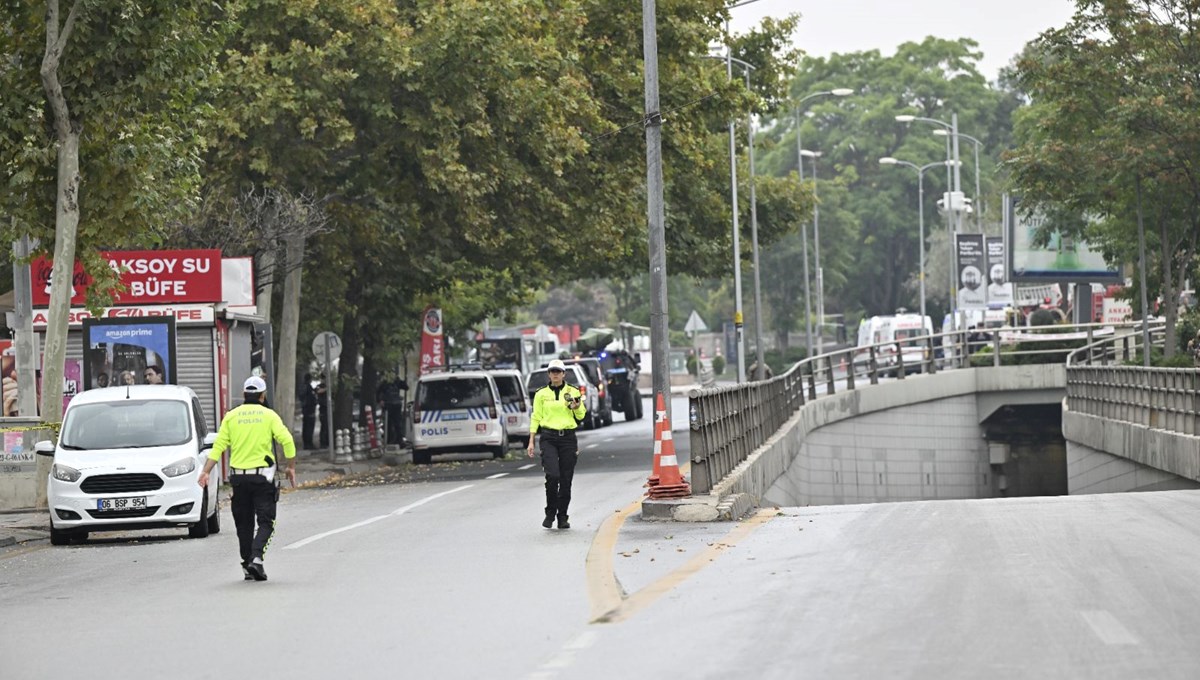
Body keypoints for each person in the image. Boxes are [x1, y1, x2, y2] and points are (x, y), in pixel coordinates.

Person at [198, 375, 297, 581]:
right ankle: (257, 558)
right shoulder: (268, 415)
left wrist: (206, 471)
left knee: (243, 524)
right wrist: (290, 467)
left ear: (244, 394)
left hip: (239, 481)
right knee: (266, 522)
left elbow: (218, 448)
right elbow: (287, 440)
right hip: (262, 479)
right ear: (262, 396)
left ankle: (246, 564)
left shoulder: (231, 417)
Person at [526, 358, 587, 530]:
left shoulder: (573, 391)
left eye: (558, 371)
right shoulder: (541, 394)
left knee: (566, 479)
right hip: (548, 437)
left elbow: (581, 415)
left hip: (567, 438)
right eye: (552, 371)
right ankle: (550, 511)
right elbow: (536, 417)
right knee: (553, 476)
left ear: (563, 374)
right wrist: (531, 441)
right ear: (549, 374)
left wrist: (576, 408)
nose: (555, 374)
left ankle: (562, 516)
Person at [376, 374, 408, 445]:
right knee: (389, 424)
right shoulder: (385, 382)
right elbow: (378, 391)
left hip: (395, 405)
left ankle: (399, 440)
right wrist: (380, 400)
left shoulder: (397, 381)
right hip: (389, 405)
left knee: (397, 424)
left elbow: (406, 387)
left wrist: (402, 381)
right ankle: (390, 440)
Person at [300, 372, 317, 450]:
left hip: (305, 410)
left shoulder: (302, 387)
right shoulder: (309, 388)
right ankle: (309, 444)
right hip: (310, 411)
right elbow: (312, 399)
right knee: (309, 428)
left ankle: (306, 443)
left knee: (305, 427)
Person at [315, 376, 330, 449]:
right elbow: (318, 391)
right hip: (323, 409)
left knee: (327, 427)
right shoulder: (319, 386)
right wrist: (327, 389)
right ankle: (323, 443)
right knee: (324, 427)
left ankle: (327, 442)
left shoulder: (327, 386)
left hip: (327, 409)